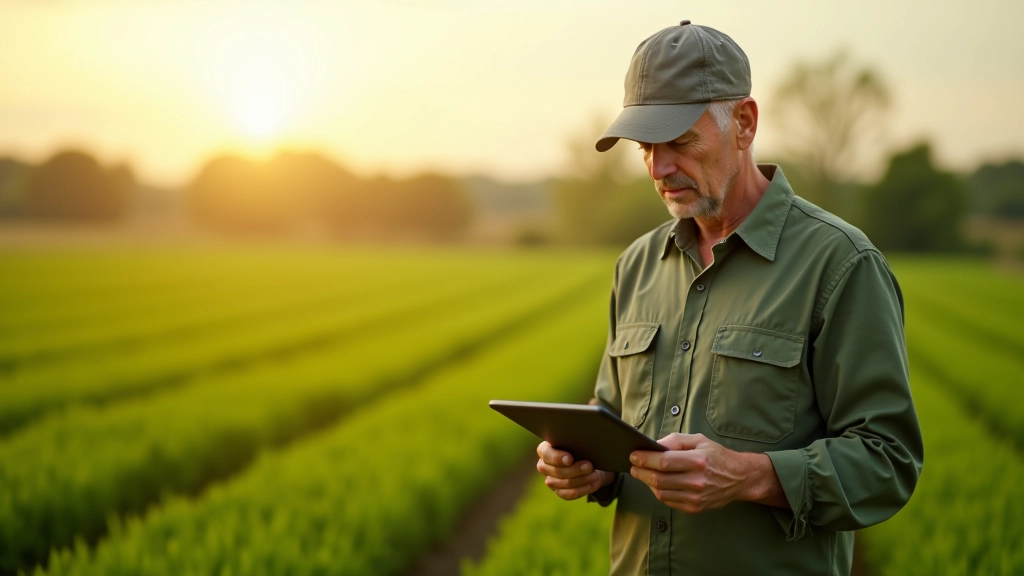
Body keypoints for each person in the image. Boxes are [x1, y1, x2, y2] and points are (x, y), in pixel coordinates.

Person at [535, 21, 923, 575]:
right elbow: (616, 426)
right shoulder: (638, 265)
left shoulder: (840, 265)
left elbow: (889, 462)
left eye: (681, 143)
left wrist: (751, 474)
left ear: (744, 123)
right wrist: (590, 467)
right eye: (646, 147)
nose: (658, 169)